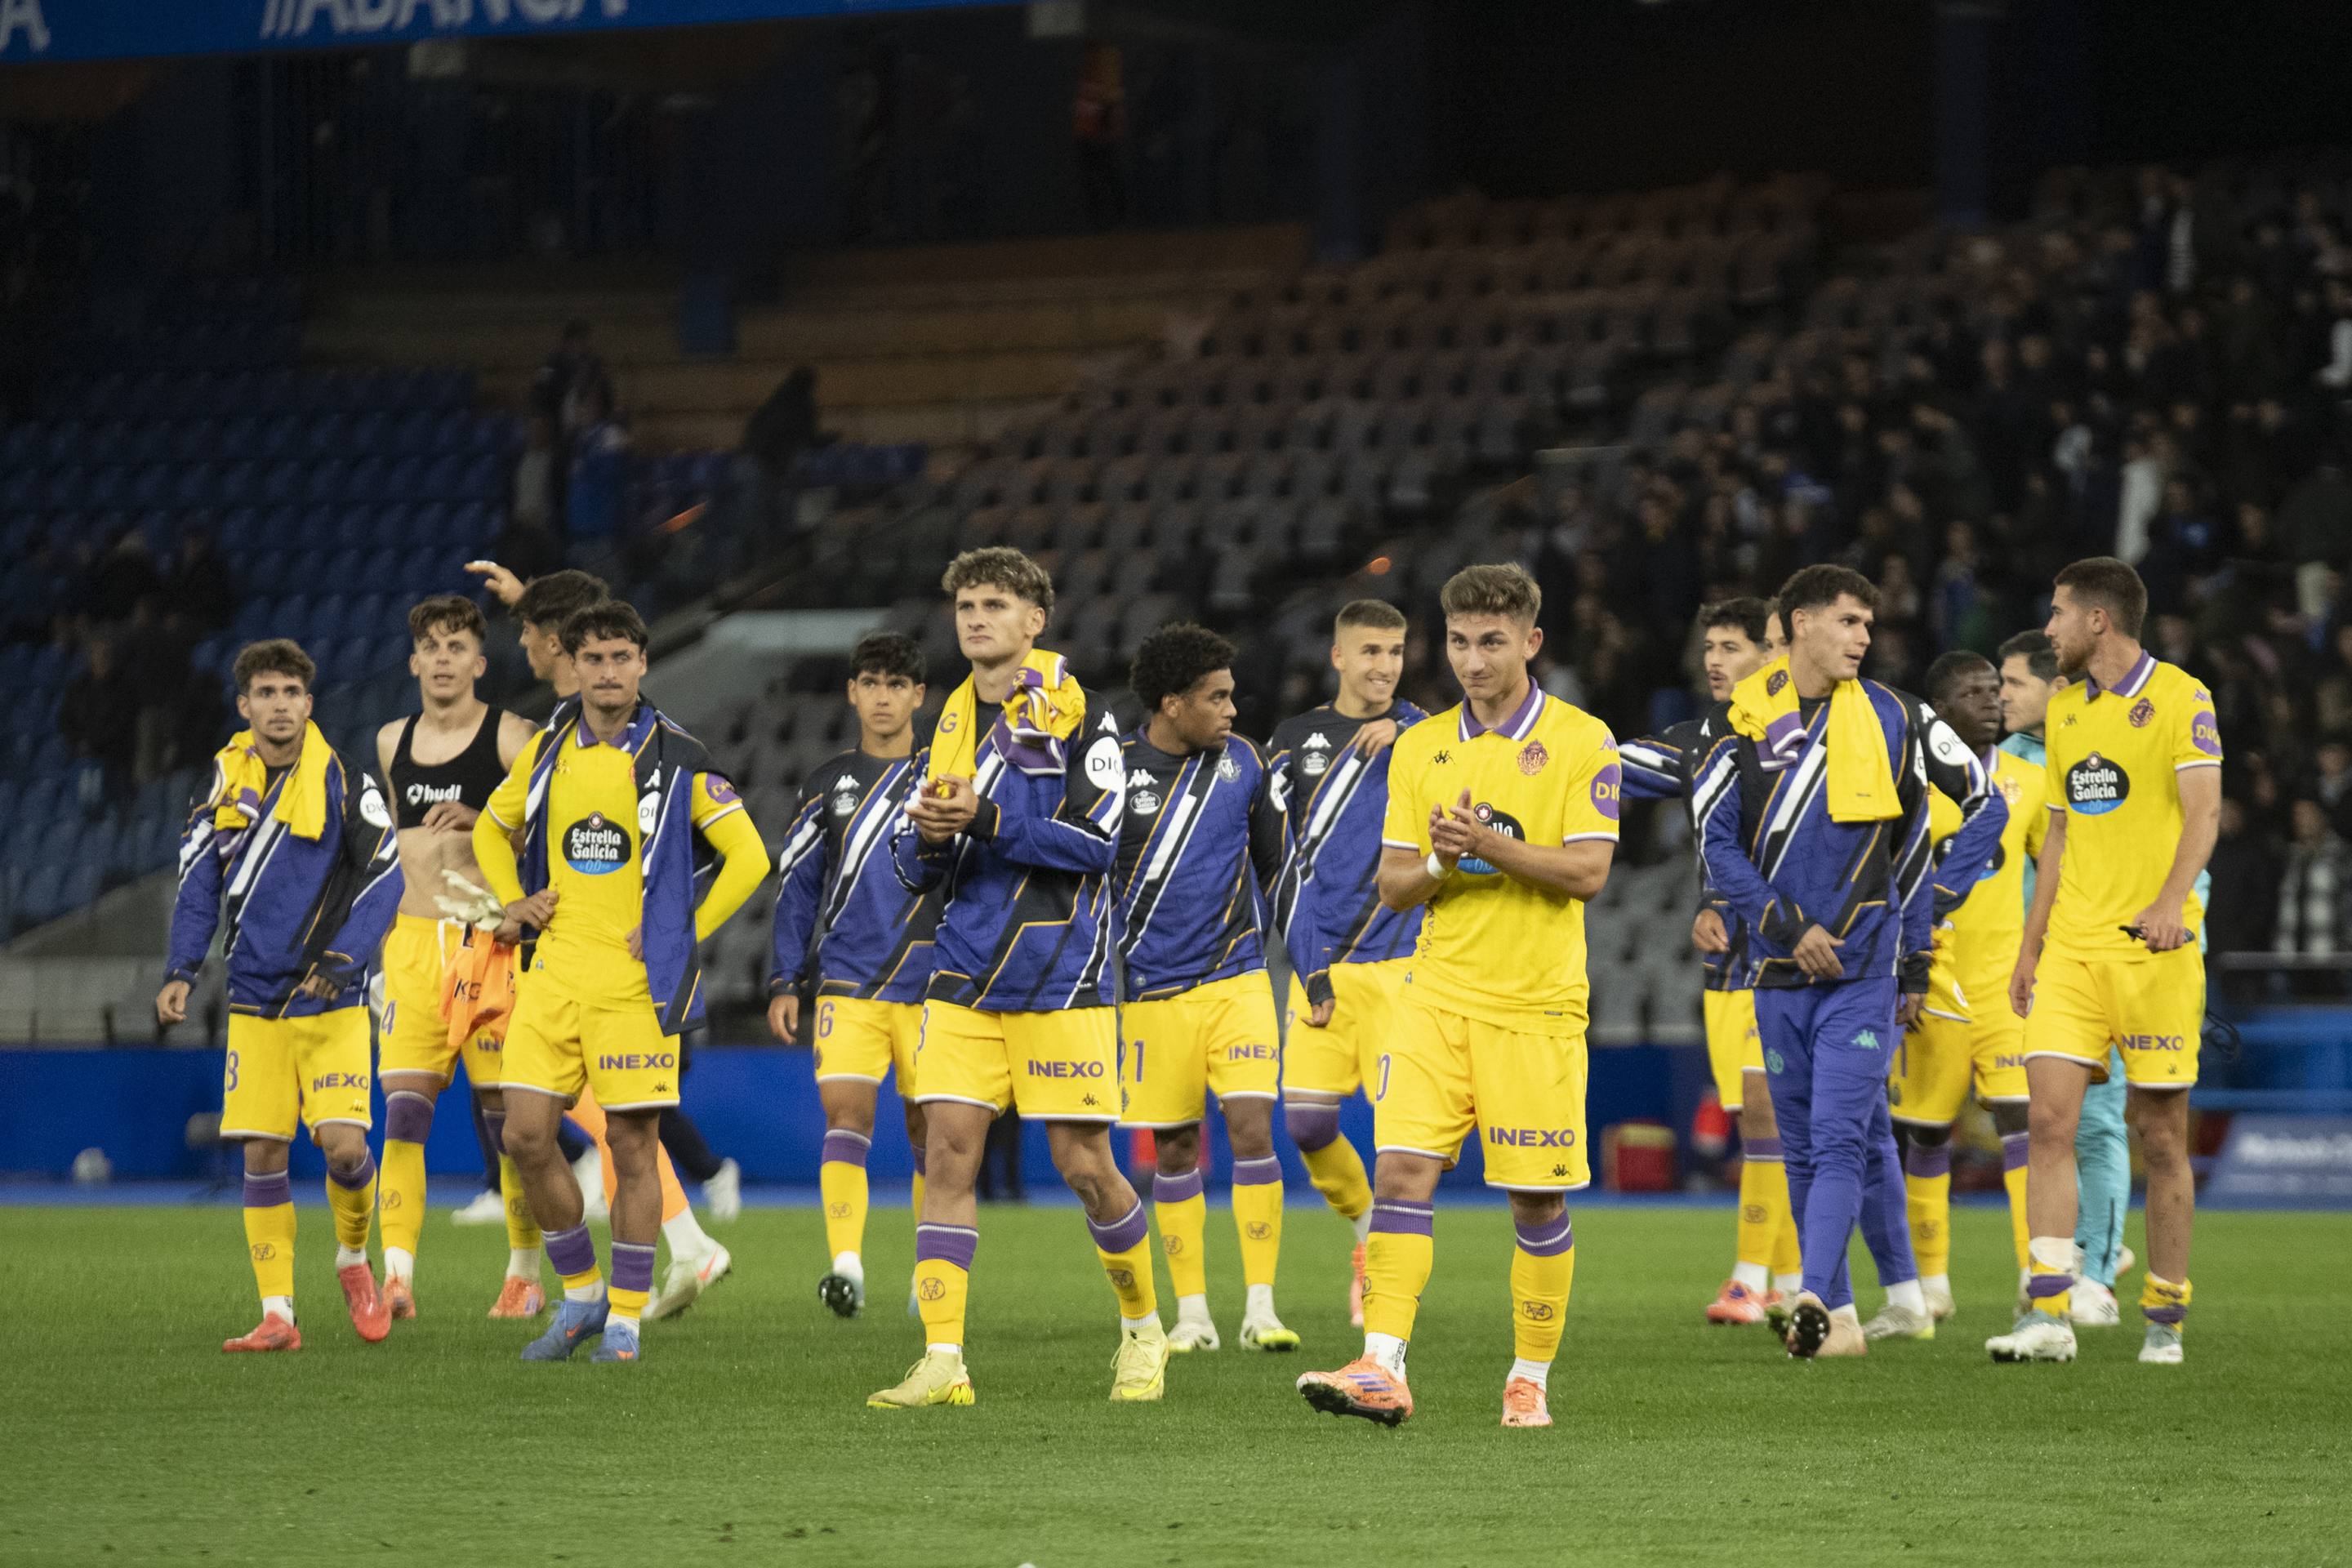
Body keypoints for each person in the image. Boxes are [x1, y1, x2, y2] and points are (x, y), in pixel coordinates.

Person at [1296, 563, 1619, 1430]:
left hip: (1536, 1009)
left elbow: (1587, 874)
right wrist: (1443, 859)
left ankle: (1529, 1379)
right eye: (1461, 641)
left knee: (1536, 1202)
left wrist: (1487, 844)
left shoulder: (1584, 740)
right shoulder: (1421, 745)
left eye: (1492, 642)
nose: (1473, 660)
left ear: (1530, 642)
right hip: (1433, 998)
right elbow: (1397, 886)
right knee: (1402, 1176)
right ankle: (1381, 1365)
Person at [866, 546, 1167, 1410]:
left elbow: (1101, 844)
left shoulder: (1083, 715)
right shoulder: (952, 719)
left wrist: (989, 818)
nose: (975, 618)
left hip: (1057, 979)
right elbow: (913, 862)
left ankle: (1144, 1331)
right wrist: (924, 840)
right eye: (964, 604)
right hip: (961, 974)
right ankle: (943, 1359)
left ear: (1036, 620)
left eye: (994, 604)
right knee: (947, 1156)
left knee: (1083, 1164)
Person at [1697, 565, 2004, 1360]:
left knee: (1837, 1140)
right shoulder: (1737, 723)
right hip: (1774, 969)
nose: (1865, 638)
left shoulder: (1899, 715)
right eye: (1849, 622)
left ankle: (1810, 1295)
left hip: (1861, 973)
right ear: (1800, 625)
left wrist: (1928, 910)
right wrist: (1782, 924)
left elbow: (1983, 803)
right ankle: (1838, 1316)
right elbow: (1717, 845)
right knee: (1801, 1146)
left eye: (1870, 624)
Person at [473, 600, 768, 1365]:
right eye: (593, 659)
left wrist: (684, 927)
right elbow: (487, 829)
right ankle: (581, 1298)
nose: (607, 672)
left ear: (643, 664)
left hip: (635, 986)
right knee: (525, 1137)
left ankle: (627, 1320)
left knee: (634, 1150)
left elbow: (750, 858)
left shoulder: (679, 757)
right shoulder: (545, 752)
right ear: (572, 665)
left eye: (621, 658)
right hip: (552, 974)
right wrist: (513, 899)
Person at [1993, 557, 2219, 1367]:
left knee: (2161, 1137)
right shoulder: (2062, 712)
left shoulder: (2184, 698)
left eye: (2056, 614)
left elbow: (2204, 813)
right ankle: (2047, 1312)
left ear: (2099, 620)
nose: (2047, 629)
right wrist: (2031, 943)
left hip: (2156, 956)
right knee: (2048, 1122)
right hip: (2074, 956)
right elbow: (2055, 833)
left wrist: (2169, 903)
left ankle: (2165, 1316)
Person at [156, 639, 404, 1352]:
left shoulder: (342, 780)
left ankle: (354, 1259)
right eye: (265, 693)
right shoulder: (221, 785)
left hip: (332, 998)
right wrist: (181, 968)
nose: (279, 706)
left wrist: (343, 958)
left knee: (344, 1150)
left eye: (291, 693)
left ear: (309, 703)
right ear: (245, 706)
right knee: (262, 1154)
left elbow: (388, 877)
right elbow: (199, 883)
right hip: (256, 1000)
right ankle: (278, 1314)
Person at [1619, 598, 1805, 1326]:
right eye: (1711, 647)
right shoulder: (1701, 739)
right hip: (1728, 961)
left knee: (1769, 1115)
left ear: (1775, 652)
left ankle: (1747, 1278)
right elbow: (1604, 766)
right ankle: (1792, 1283)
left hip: (1790, 953)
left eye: (1732, 646)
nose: (1714, 660)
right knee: (1761, 1121)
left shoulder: (1812, 734)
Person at [1114, 623, 1295, 1355]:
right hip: (1152, 991)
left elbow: (1277, 868)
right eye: (1215, 697)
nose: (1232, 710)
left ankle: (1261, 1307)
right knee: (1177, 1148)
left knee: (1254, 1129)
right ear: (1171, 703)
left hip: (1238, 978)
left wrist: (1307, 966)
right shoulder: (1112, 772)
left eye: (1232, 695)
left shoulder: (1244, 765)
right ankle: (1192, 1314)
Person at [370, 596, 539, 1320]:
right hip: (413, 947)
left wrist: (489, 819)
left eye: (456, 646)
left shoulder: (511, 738)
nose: (442, 658)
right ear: (414, 662)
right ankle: (398, 1277)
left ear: (480, 662)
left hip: (488, 946)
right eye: (430, 647)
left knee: (512, 1125)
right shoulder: (389, 742)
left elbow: (556, 826)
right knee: (404, 1114)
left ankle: (524, 1273)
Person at [768, 631, 941, 1317]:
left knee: (936, 1133)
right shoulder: (826, 785)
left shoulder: (947, 779)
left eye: (896, 685)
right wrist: (786, 979)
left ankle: (931, 1270)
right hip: (849, 981)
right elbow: (797, 889)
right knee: (847, 1114)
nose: (882, 697)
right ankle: (847, 1265)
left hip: (935, 984)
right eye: (870, 683)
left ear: (919, 696)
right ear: (851, 692)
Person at [1267, 600, 1425, 1329]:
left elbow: (1476, 758)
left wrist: (1412, 730)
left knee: (1400, 1141)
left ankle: (1387, 1292)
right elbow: (1276, 864)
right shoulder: (1294, 742)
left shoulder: (1428, 736)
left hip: (1401, 965)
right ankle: (1366, 1234)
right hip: (1322, 964)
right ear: (1337, 657)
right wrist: (1309, 964)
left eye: (1394, 652)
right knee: (1305, 1123)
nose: (1383, 666)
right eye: (1369, 652)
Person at [1882, 650, 2044, 1332]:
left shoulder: (2032, 782)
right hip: (1934, 979)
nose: (1992, 700)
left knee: (2025, 1126)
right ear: (1940, 713)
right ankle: (1932, 1284)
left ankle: (2039, 1279)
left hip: (2006, 984)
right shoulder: (1909, 783)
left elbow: (2055, 868)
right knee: (1923, 1133)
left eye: (1995, 689)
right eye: (1973, 692)